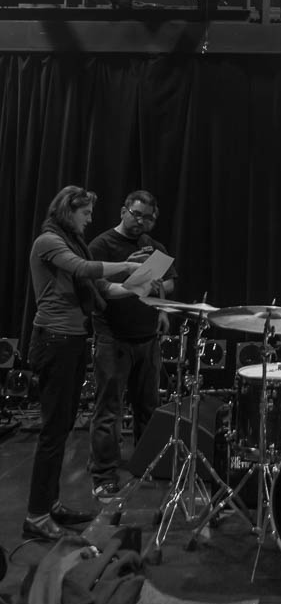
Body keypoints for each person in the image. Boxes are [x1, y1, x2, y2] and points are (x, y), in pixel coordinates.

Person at [25, 186, 146, 542]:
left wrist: (139, 284)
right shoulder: (49, 242)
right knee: (52, 432)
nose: (90, 219)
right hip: (55, 342)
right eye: (86, 213)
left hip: (73, 341)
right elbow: (83, 268)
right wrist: (129, 264)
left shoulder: (72, 244)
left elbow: (104, 289)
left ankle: (49, 504)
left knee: (61, 428)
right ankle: (36, 515)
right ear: (68, 210)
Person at [89, 190, 178, 500]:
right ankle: (103, 475)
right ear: (123, 210)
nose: (141, 222)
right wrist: (139, 282)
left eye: (148, 218)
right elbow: (103, 289)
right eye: (137, 214)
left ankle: (146, 464)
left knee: (148, 408)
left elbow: (169, 281)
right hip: (113, 338)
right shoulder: (101, 246)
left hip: (147, 338)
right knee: (109, 411)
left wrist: (162, 308)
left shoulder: (153, 247)